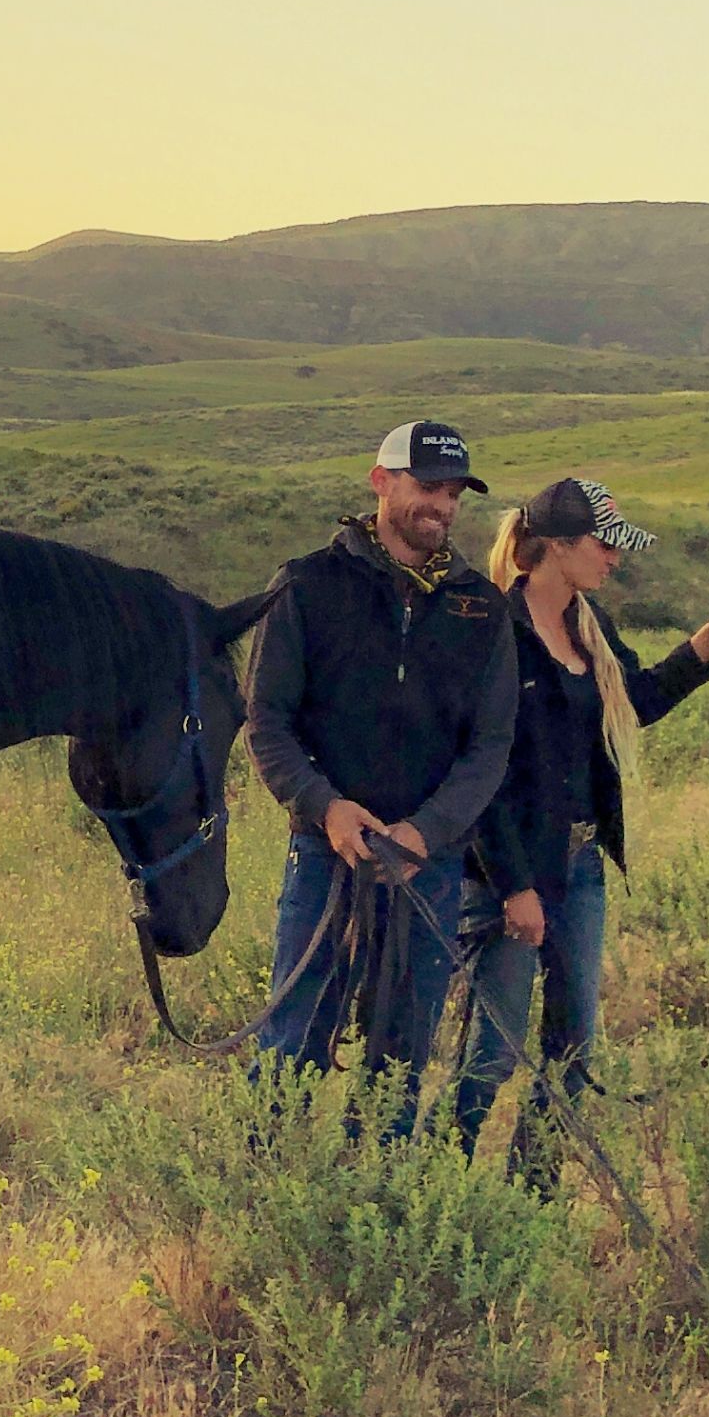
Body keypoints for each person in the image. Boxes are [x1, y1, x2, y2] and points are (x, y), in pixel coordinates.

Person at [241, 420, 518, 1120]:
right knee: (293, 1037)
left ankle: (386, 1179)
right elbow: (266, 720)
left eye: (454, 493)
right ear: (381, 482)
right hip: (326, 852)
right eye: (428, 487)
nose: (443, 506)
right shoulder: (307, 585)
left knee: (403, 1054)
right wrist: (325, 808)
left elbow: (490, 745)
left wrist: (427, 832)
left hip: (430, 865)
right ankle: (270, 1171)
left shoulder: (481, 606)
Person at [447, 475, 709, 1163]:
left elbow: (638, 701)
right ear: (560, 545)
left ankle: (532, 1188)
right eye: (606, 545)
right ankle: (438, 1183)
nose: (616, 559)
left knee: (573, 1050)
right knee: (494, 1050)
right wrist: (514, 887)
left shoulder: (591, 630)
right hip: (510, 874)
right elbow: (480, 777)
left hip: (581, 866)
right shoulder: (492, 631)